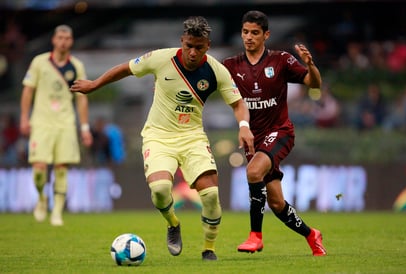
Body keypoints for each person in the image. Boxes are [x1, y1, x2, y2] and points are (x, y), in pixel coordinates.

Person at [70, 16, 254, 261]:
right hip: (158, 136)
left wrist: (243, 126)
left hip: (192, 138)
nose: (192, 52)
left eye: (198, 47)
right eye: (188, 45)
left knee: (210, 196)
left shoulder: (216, 70)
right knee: (159, 190)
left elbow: (238, 103)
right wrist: (95, 84)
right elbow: (125, 68)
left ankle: (208, 248)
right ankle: (173, 223)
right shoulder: (161, 58)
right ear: (182, 41)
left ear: (207, 46)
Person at [223, 10, 327, 256]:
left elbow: (315, 84)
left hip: (280, 132)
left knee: (252, 171)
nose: (249, 37)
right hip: (253, 139)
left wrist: (310, 65)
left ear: (266, 35)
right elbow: (202, 80)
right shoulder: (230, 66)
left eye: (255, 33)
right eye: (245, 32)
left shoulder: (281, 61)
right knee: (277, 203)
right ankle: (312, 235)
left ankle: (255, 237)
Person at [20, 25, 93, 226]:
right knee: (39, 168)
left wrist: (84, 128)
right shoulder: (39, 62)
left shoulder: (76, 66)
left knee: (62, 168)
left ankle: (57, 212)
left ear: (71, 41)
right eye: (60, 37)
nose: (63, 41)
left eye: (67, 38)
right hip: (41, 122)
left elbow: (81, 99)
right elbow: (28, 91)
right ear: (53, 40)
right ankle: (42, 198)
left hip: (66, 123)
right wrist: (24, 118)